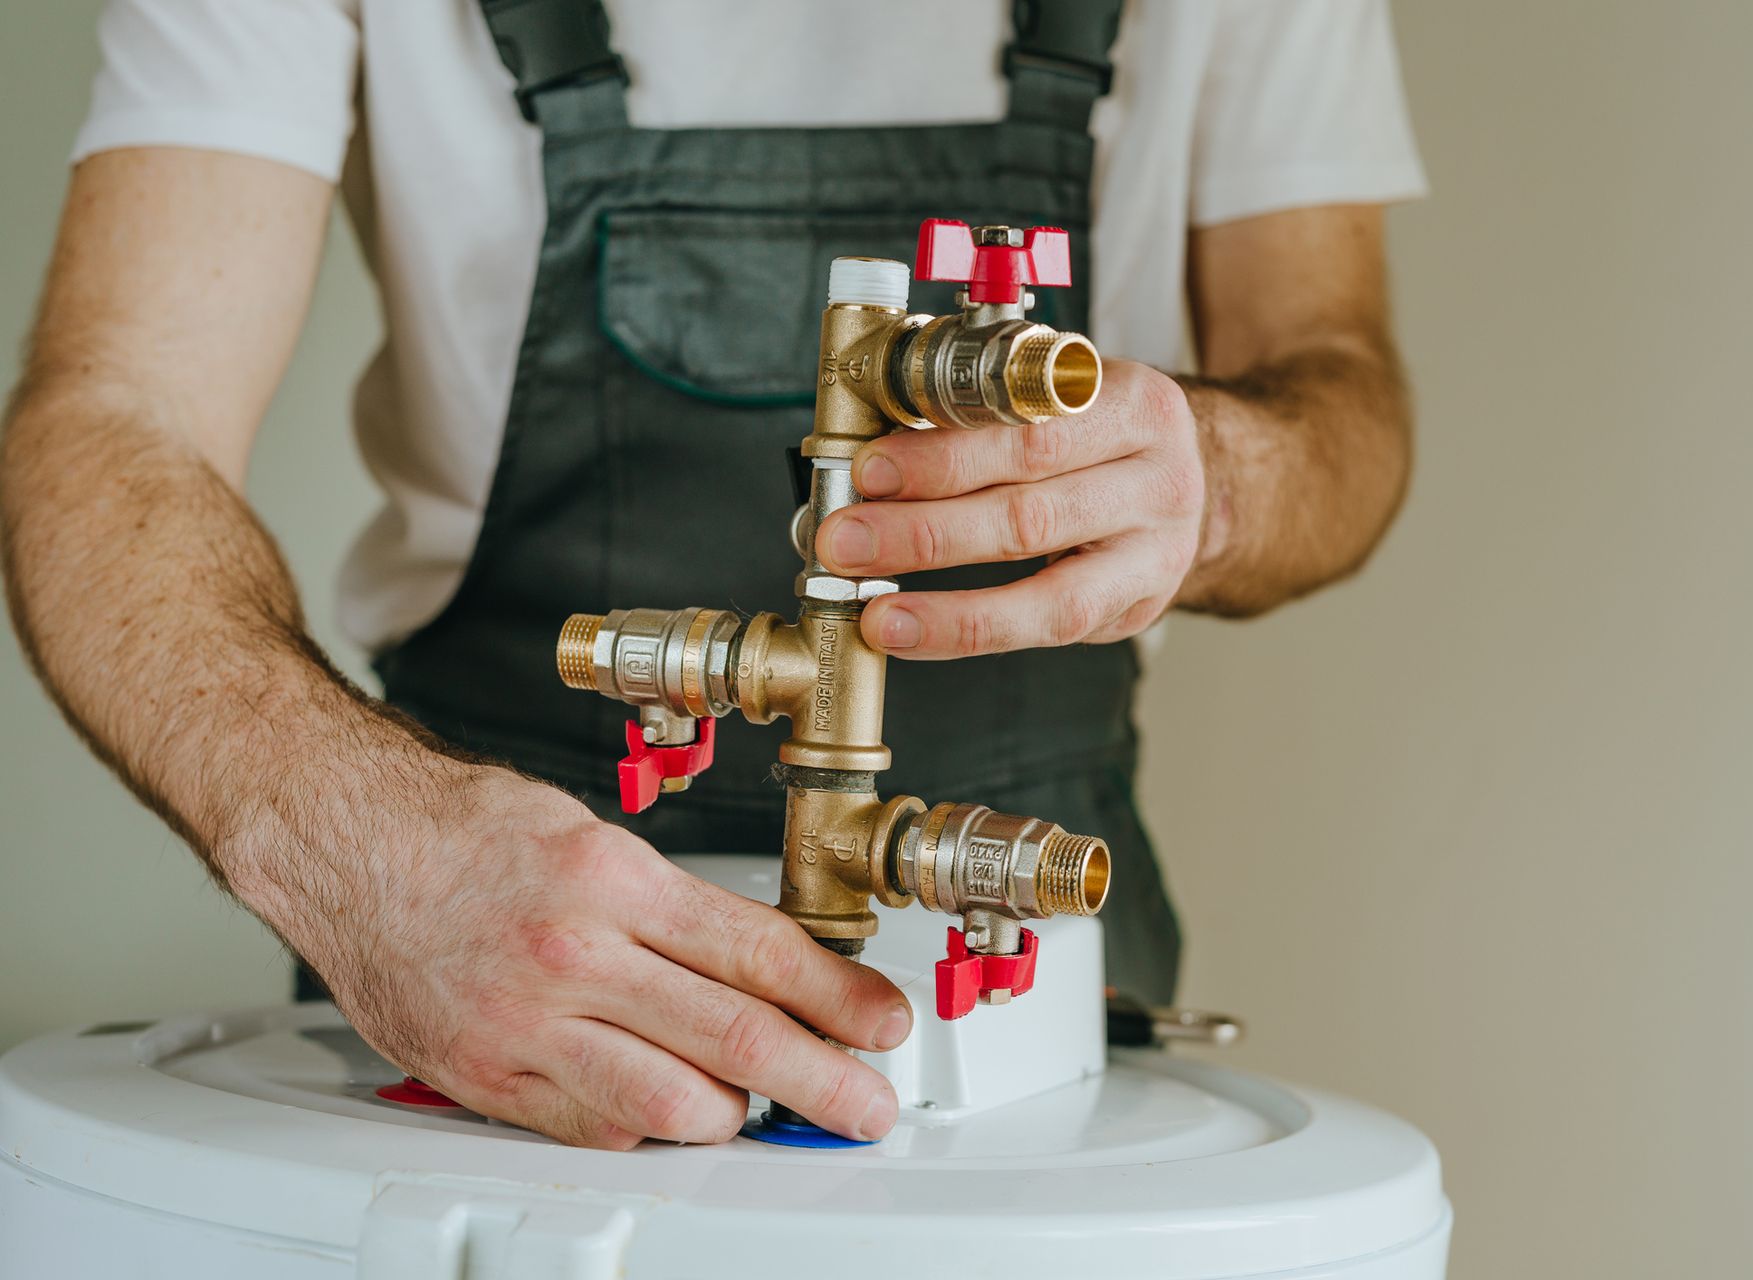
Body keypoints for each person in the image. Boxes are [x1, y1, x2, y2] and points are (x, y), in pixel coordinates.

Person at [0, 0, 1424, 1149]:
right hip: (467, 900)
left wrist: (1216, 474)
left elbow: (1342, 394)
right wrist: (364, 847)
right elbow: (112, 418)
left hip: (1033, 876)